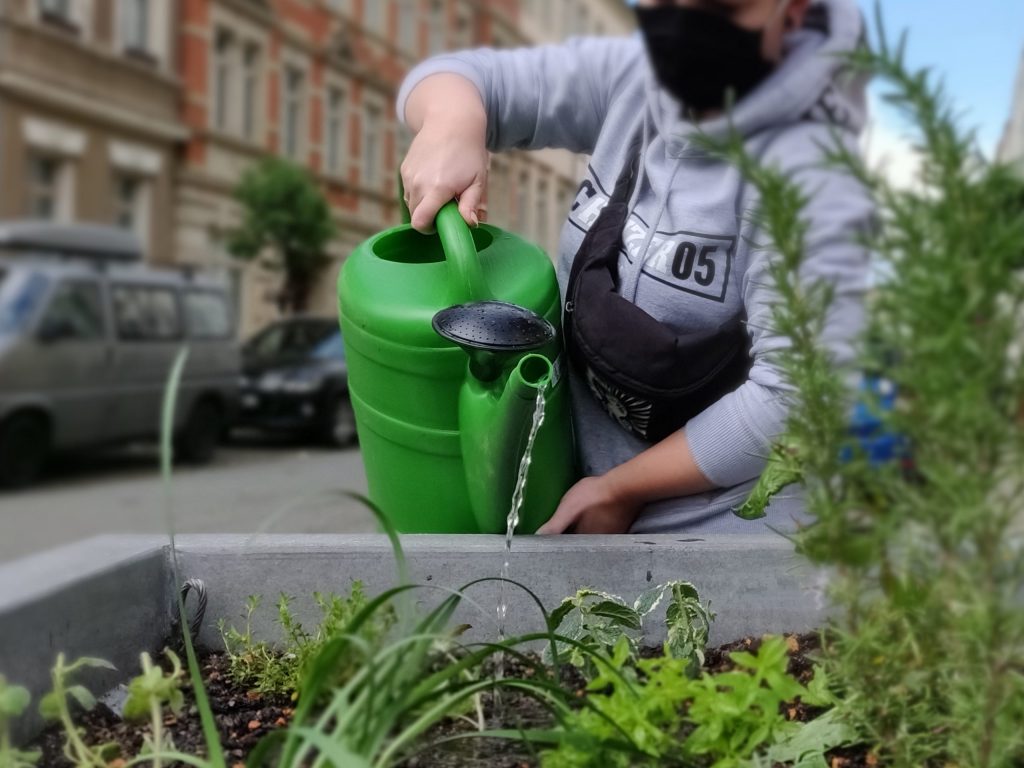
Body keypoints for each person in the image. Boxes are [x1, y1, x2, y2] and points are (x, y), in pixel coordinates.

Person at [397, 0, 873, 535]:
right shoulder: (631, 81)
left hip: (725, 540)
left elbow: (799, 396)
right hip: (581, 509)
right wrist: (453, 123)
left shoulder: (817, 172)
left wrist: (621, 489)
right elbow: (456, 79)